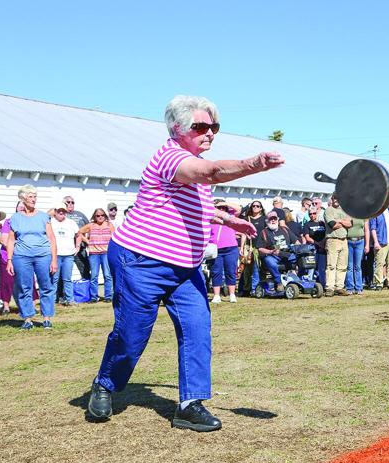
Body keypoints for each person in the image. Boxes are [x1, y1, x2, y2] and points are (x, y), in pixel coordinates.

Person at [87, 95, 284, 432]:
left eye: (214, 127)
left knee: (197, 327)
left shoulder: (192, 161)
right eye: (201, 126)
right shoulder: (172, 158)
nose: (209, 133)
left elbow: (195, 207)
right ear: (177, 128)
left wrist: (226, 220)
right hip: (141, 260)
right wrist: (254, 164)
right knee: (132, 333)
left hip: (184, 268)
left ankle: (190, 404)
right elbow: (209, 173)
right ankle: (105, 384)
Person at [6, 185, 58, 330]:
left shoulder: (43, 216)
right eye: (30, 196)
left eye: (35, 196)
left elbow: (52, 239)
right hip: (21, 257)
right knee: (24, 287)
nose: (33, 199)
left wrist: (54, 260)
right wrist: (9, 260)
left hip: (43, 256)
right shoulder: (15, 218)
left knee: (46, 287)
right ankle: (27, 318)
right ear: (22, 198)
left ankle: (47, 318)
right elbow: (11, 240)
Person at [78, 208, 115, 302]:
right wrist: (87, 241)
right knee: (94, 275)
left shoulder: (109, 225)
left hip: (106, 253)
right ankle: (94, 297)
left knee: (107, 275)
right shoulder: (91, 225)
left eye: (102, 215)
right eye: (98, 215)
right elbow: (79, 232)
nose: (100, 217)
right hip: (94, 254)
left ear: (105, 216)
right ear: (95, 216)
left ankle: (108, 296)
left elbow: (115, 236)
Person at [257, 210, 300, 290]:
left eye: (275, 218)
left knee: (303, 258)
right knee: (269, 260)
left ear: (278, 219)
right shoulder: (264, 232)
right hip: (273, 256)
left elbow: (296, 241)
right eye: (271, 219)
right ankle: (278, 281)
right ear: (267, 220)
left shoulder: (285, 230)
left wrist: (299, 248)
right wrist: (270, 251)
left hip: (287, 255)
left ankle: (299, 280)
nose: (273, 220)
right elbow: (260, 248)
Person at [208, 200, 241, 304]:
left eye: (223, 207)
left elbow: (239, 208)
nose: (221, 209)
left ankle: (232, 294)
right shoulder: (211, 219)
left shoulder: (230, 216)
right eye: (219, 208)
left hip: (231, 248)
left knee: (230, 271)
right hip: (215, 249)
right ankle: (216, 295)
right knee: (216, 272)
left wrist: (225, 203)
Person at [50, 203, 81, 306]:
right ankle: (52, 299)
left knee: (67, 278)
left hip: (68, 254)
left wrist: (78, 246)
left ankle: (69, 300)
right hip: (56, 255)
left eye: (63, 212)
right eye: (59, 212)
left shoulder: (71, 223)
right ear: (56, 212)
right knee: (54, 278)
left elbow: (78, 235)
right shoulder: (50, 222)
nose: (61, 214)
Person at [324, 195, 352, 296]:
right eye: (334, 198)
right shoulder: (329, 210)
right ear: (332, 199)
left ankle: (339, 287)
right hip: (333, 240)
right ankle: (330, 288)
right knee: (331, 265)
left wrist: (339, 221)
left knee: (342, 265)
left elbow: (350, 224)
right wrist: (344, 222)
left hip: (344, 240)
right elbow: (333, 225)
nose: (336, 200)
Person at [369, 200, 389, 290]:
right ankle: (379, 283)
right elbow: (373, 228)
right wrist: (376, 242)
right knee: (379, 263)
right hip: (381, 241)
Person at [240, 200, 266, 296]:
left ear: (261, 208)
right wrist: (242, 247)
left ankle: (255, 289)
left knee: (256, 268)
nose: (255, 207)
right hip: (248, 246)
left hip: (259, 247)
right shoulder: (247, 219)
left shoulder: (264, 219)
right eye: (253, 206)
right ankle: (246, 289)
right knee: (246, 269)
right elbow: (244, 233)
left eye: (257, 206)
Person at [63, 195, 90, 280]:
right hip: (66, 249)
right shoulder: (61, 214)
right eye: (68, 202)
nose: (70, 204)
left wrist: (87, 239)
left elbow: (89, 227)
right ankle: (62, 293)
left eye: (72, 202)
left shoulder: (80, 214)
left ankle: (87, 291)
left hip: (81, 248)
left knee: (85, 270)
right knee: (65, 273)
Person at [301, 207, 327, 287]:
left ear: (317, 214)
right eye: (310, 214)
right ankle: (309, 285)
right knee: (311, 268)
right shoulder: (307, 224)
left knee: (322, 269)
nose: (312, 215)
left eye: (314, 213)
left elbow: (326, 234)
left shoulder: (322, 224)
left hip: (322, 249)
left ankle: (323, 285)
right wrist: (318, 243)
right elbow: (307, 237)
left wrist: (322, 244)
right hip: (313, 249)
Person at [343, 216, 367, 295]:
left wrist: (367, 245)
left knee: (358, 266)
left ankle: (358, 287)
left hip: (360, 241)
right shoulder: (346, 213)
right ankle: (350, 287)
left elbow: (366, 230)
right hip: (348, 241)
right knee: (349, 266)